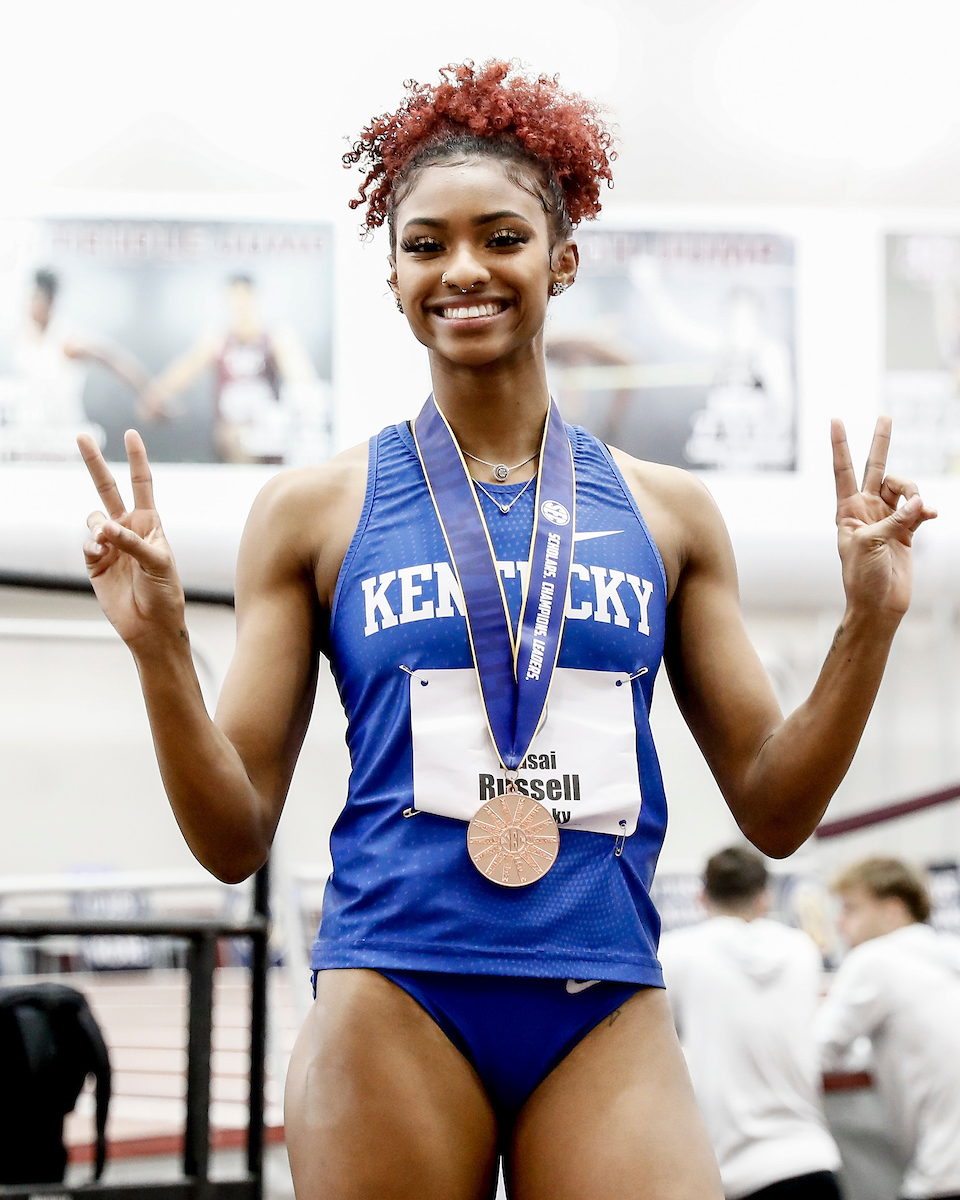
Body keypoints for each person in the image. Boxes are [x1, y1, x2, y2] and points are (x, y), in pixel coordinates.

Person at [76, 60, 936, 1200]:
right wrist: (159, 653)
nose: (464, 269)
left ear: (562, 259)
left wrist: (869, 624)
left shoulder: (669, 513)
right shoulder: (313, 512)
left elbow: (777, 812)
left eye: (503, 238)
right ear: (393, 275)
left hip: (601, 987)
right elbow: (232, 837)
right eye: (426, 245)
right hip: (397, 983)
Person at [659, 847, 841, 1200]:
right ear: (764, 898)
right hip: (813, 1159)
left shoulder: (677, 954)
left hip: (736, 1173)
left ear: (701, 897)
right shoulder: (801, 950)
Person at [816, 857, 960, 1200]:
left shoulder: (875, 959)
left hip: (943, 1174)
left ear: (892, 911)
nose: (839, 922)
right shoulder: (949, 953)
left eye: (851, 909)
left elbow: (814, 1052)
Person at [140, 274, 318, 464]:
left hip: (267, 436)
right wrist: (156, 395)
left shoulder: (277, 338)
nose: (240, 307)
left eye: (245, 299)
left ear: (255, 299)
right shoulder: (217, 339)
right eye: (234, 300)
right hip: (229, 437)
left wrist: (301, 405)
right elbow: (186, 369)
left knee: (250, 439)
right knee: (235, 438)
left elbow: (303, 381)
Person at [0, 269, 148, 461]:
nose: (30, 306)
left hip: (61, 439)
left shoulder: (66, 340)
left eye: (36, 299)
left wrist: (147, 393)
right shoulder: (24, 334)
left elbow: (109, 358)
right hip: (28, 436)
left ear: (49, 302)